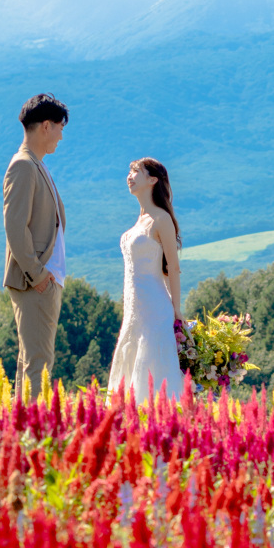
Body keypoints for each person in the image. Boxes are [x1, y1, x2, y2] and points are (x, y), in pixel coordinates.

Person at [3, 93, 68, 399]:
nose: (60, 135)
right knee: (38, 364)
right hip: (35, 283)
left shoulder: (35, 164)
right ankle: (34, 434)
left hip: (43, 281)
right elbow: (15, 228)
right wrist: (38, 275)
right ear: (45, 126)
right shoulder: (24, 166)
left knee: (31, 361)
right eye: (59, 127)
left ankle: (21, 430)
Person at [107, 158, 185, 404]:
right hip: (133, 311)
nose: (130, 176)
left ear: (152, 180)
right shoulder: (140, 219)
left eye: (136, 172)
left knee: (153, 369)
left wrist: (176, 309)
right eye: (129, 171)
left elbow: (173, 266)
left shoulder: (161, 219)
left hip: (156, 309)